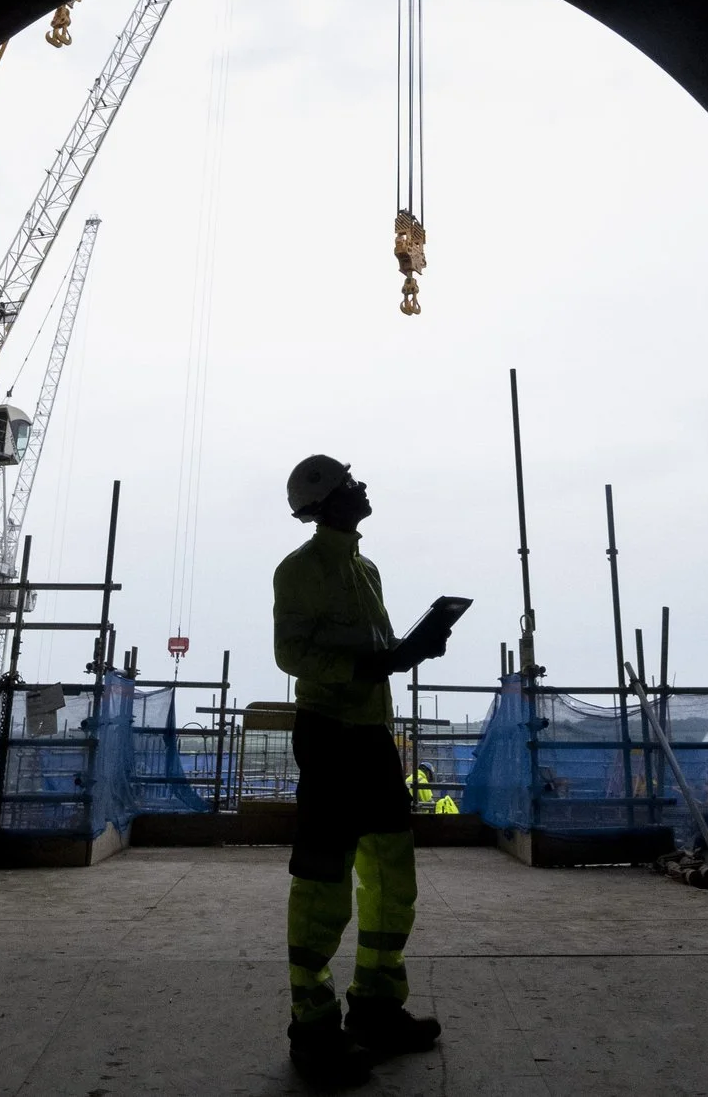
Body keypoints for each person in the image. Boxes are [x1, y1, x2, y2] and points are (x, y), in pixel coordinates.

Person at [274, 454, 450, 1078]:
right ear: (325, 503)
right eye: (351, 483)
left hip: (373, 734)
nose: (363, 486)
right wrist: (367, 668)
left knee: (392, 874)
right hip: (328, 735)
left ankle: (376, 1006)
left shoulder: (365, 569)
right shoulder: (299, 570)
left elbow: (369, 652)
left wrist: (408, 651)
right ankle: (314, 1026)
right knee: (324, 883)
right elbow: (290, 653)